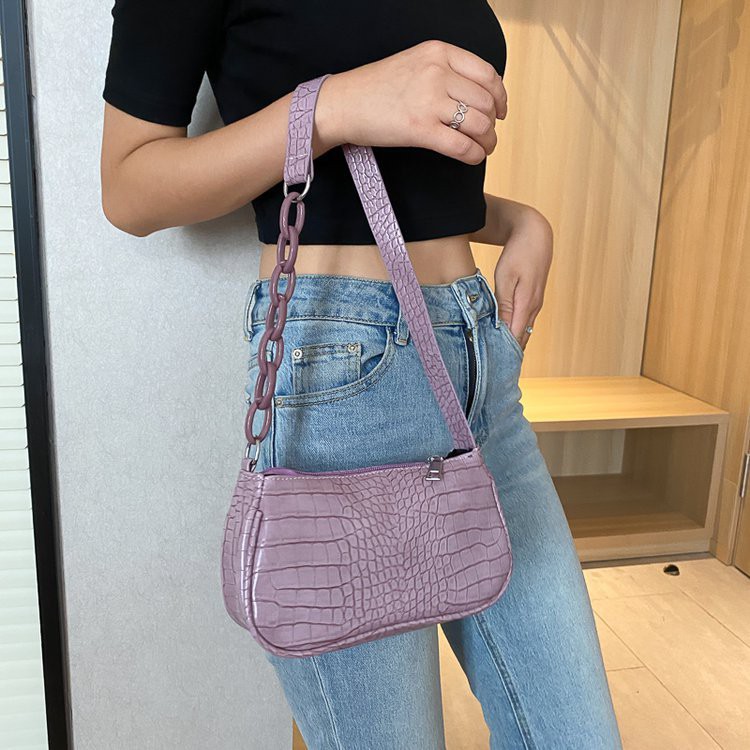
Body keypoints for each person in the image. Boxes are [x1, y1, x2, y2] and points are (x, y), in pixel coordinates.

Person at [100, 2, 623, 748]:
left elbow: (402, 181)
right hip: (342, 382)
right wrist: (334, 106)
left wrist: (517, 221)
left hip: (477, 371)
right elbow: (129, 185)